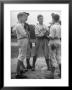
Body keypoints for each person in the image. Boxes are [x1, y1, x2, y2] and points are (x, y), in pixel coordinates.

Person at [13, 12, 30, 78]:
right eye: (24, 17)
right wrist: (27, 33)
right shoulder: (19, 25)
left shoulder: (19, 24)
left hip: (22, 40)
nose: (25, 18)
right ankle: (18, 73)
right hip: (23, 40)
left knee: (20, 55)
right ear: (20, 18)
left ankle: (20, 70)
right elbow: (25, 34)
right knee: (21, 56)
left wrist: (27, 33)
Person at [49, 13, 61, 77]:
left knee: (53, 57)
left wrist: (48, 35)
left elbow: (52, 36)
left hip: (53, 42)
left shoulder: (53, 26)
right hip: (59, 41)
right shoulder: (60, 26)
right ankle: (61, 73)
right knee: (59, 57)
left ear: (53, 19)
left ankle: (52, 75)